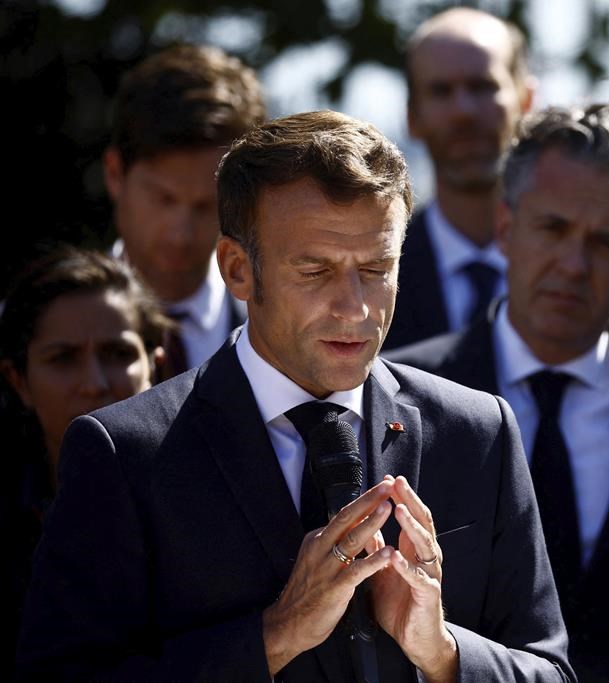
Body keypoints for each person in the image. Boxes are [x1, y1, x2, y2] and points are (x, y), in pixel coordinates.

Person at [16, 110, 572, 682]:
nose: (355, 306)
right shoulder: (124, 453)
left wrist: (443, 652)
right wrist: (275, 634)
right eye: (316, 271)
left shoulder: (478, 431)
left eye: (377, 268)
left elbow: (551, 669)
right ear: (237, 269)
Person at [388, 103, 609, 682]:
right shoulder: (400, 395)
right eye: (553, 229)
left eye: (605, 243)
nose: (574, 264)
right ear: (506, 226)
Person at [0, 247, 169, 675]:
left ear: (156, 365)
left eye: (117, 354)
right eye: (63, 359)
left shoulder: (216, 500)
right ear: (18, 380)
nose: (94, 384)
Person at [103, 44, 266, 378]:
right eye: (163, 199)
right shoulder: (25, 336)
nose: (181, 234)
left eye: (207, 205)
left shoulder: (286, 340)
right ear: (114, 174)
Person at [384, 7, 534, 350]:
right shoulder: (371, 274)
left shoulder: (582, 265)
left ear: (526, 100)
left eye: (483, 87)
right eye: (440, 91)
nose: (463, 111)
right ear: (411, 115)